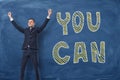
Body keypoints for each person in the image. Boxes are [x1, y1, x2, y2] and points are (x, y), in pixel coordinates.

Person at [8, 9, 52, 80]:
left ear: (34, 23)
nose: (29, 23)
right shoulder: (25, 30)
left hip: (33, 51)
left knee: (36, 67)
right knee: (22, 67)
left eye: (31, 22)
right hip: (25, 51)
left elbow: (44, 25)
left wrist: (49, 15)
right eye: (28, 22)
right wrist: (11, 18)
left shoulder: (37, 30)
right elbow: (17, 27)